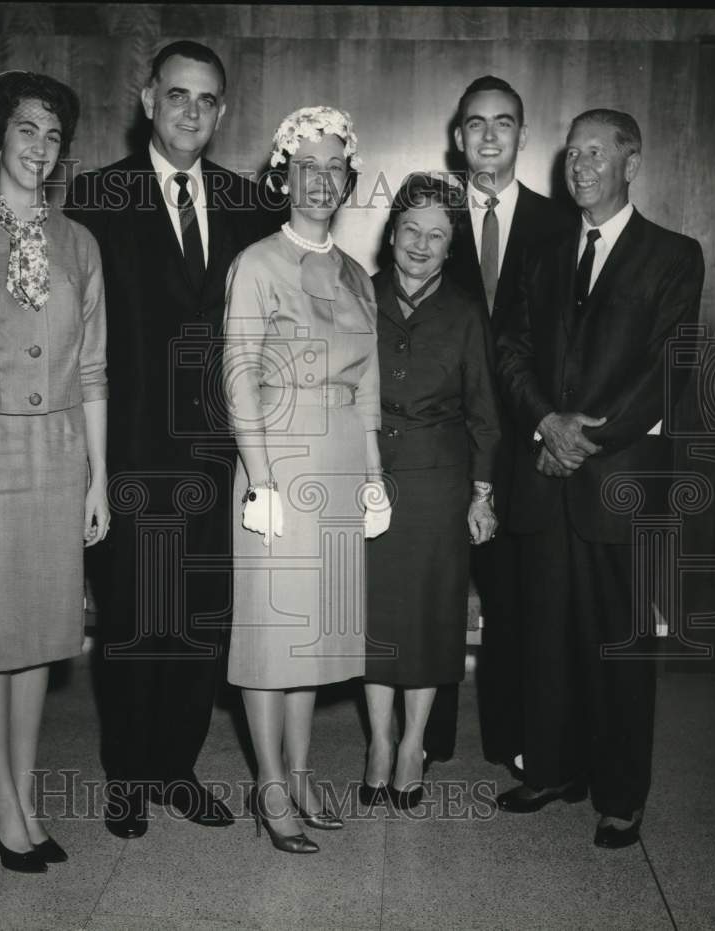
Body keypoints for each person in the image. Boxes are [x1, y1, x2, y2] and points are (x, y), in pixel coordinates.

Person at [65, 41, 272, 839]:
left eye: (208, 99)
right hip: (125, 445)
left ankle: (175, 768)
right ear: (147, 98)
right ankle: (126, 774)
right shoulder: (95, 197)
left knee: (199, 618)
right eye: (177, 95)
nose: (191, 111)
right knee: (128, 616)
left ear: (222, 110)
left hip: (219, 454)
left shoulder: (250, 203)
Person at [496, 109, 704, 848]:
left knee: (617, 643)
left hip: (617, 480)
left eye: (596, 151)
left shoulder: (674, 256)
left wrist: (587, 437)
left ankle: (621, 794)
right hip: (546, 471)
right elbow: (511, 352)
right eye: (572, 152)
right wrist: (544, 422)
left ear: (632, 161)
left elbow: (666, 368)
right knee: (545, 634)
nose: (579, 164)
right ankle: (550, 767)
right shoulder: (544, 256)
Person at [0, 71, 109, 870]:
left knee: (41, 636)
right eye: (27, 130)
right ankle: (0, 800)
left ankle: (25, 789)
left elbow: (95, 369)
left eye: (53, 136)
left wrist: (97, 478)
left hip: (60, 453)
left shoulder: (81, 242)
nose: (41, 147)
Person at [224, 106, 388, 853]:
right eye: (307, 166)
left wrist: (375, 477)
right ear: (282, 174)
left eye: (334, 168)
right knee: (271, 638)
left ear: (348, 179)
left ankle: (300, 768)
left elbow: (371, 383)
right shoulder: (257, 262)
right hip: (279, 468)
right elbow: (239, 379)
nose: (320, 181)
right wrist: (261, 484)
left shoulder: (357, 273)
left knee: (315, 635)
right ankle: (268, 785)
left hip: (342, 467)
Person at [443, 75, 576, 775]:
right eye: (475, 124)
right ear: (457, 136)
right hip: (443, 443)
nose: (489, 135)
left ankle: (511, 738)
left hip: (527, 446)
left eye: (504, 123)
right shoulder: (430, 217)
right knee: (436, 592)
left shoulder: (560, 224)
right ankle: (426, 741)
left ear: (524, 135)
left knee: (519, 600)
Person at [363, 173, 500, 808]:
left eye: (437, 235)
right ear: (392, 233)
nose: (421, 244)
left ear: (451, 247)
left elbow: (484, 414)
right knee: (372, 619)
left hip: (439, 487)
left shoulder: (467, 313)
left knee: (428, 619)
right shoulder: (358, 296)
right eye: (411, 229)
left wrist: (482, 493)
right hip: (364, 481)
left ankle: (414, 742)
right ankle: (379, 742)